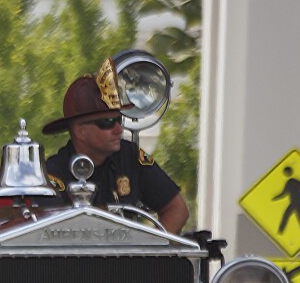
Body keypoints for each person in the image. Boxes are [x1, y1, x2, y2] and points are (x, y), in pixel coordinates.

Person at [42, 66, 190, 234]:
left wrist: (147, 254)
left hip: (127, 259)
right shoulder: (53, 174)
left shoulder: (130, 156)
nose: (118, 129)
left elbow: (177, 210)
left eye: (119, 119)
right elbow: (49, 231)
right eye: (108, 122)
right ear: (80, 131)